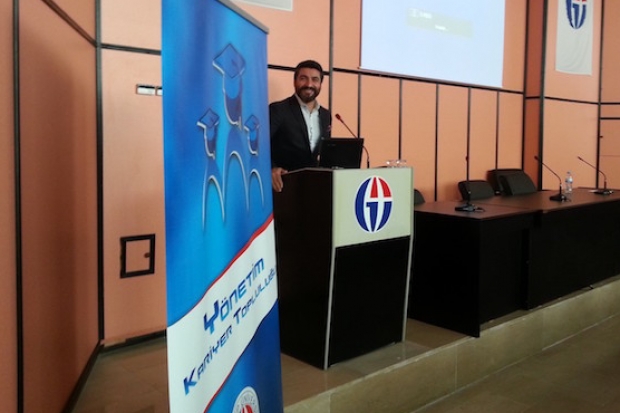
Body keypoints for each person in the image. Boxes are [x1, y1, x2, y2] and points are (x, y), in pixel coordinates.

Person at [270, 60, 332, 192]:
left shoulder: (325, 115)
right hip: (283, 186)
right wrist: (271, 168)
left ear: (320, 84)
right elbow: (260, 146)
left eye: (315, 80)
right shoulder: (278, 110)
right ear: (294, 82)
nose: (309, 84)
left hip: (315, 187)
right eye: (303, 78)